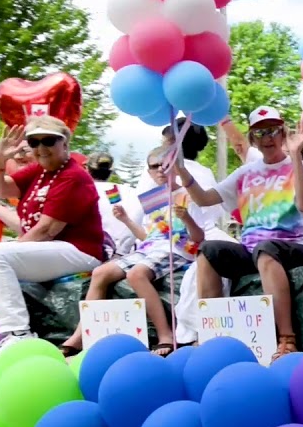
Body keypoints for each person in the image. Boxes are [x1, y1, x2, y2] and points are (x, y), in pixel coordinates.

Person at [0, 116, 105, 352]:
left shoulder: (73, 176)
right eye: (34, 142)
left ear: (65, 144)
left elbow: (46, 231)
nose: (41, 148)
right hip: (45, 249)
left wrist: (6, 249)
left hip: (78, 251)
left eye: (49, 141)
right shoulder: (39, 172)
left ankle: (19, 333)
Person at [175, 106, 303, 360]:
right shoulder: (246, 172)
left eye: (274, 130)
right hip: (252, 250)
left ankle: (287, 338)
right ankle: (211, 334)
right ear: (253, 139)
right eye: (261, 133)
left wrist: (296, 156)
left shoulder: (300, 168)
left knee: (266, 248)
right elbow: (206, 199)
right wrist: (184, 174)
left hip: (294, 246)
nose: (268, 138)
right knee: (209, 250)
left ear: (283, 133)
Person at [58, 147, 216, 356]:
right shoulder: (151, 198)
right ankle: (79, 337)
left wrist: (186, 217)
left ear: (175, 166)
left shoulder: (188, 195)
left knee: (137, 274)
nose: (160, 170)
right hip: (151, 248)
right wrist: (125, 220)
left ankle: (165, 335)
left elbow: (198, 238)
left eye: (165, 164)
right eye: (154, 166)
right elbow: (147, 237)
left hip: (178, 248)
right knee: (100, 273)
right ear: (148, 171)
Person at [87, 152, 144, 255]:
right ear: (111, 171)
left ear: (87, 169)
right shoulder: (130, 191)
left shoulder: (83, 191)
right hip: (127, 251)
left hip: (93, 251)